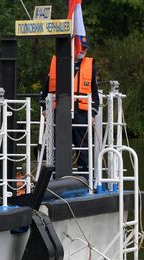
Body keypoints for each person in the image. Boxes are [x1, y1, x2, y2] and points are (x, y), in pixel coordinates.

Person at [40, 36, 99, 172]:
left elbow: (94, 92)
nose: (84, 50)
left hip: (82, 113)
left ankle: (84, 176)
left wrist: (93, 113)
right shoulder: (58, 62)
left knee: (82, 147)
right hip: (59, 111)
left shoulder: (90, 66)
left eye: (85, 48)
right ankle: (54, 175)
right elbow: (46, 89)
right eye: (81, 47)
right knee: (55, 145)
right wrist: (44, 108)